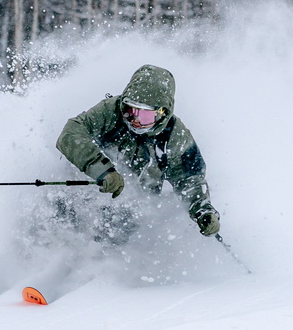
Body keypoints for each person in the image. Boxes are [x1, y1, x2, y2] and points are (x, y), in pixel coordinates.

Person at [56, 64, 220, 238]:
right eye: (129, 112)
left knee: (113, 238)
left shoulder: (175, 136)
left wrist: (202, 210)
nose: (134, 121)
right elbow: (70, 133)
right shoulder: (111, 111)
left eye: (144, 116)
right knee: (64, 217)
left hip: (130, 210)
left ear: (162, 113)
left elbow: (189, 178)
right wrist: (102, 170)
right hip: (85, 186)